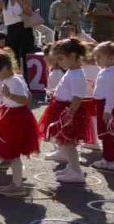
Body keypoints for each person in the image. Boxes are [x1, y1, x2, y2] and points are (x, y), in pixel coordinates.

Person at [0, 50, 38, 194]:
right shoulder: (15, 78)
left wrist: (10, 95)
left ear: (5, 68)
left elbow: (25, 100)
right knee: (11, 150)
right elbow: (28, 97)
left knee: (13, 153)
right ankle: (14, 178)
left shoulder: (13, 81)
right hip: (12, 115)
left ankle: (17, 185)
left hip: (15, 119)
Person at [36, 39, 93, 184]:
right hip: (62, 108)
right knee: (65, 141)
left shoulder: (77, 75)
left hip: (67, 111)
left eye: (61, 59)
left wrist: (69, 114)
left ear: (73, 55)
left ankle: (76, 172)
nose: (59, 62)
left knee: (69, 143)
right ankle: (71, 167)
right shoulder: (71, 71)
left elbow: (77, 97)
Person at [91, 41, 114, 171]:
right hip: (105, 104)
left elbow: (111, 94)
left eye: (99, 57)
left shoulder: (111, 73)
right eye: (96, 57)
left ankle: (109, 160)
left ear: (111, 58)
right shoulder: (106, 71)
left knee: (107, 134)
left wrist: (107, 110)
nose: (96, 60)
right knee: (112, 132)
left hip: (107, 105)